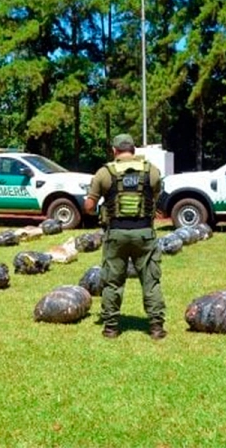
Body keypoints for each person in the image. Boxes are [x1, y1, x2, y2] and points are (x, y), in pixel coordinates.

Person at [84, 133, 165, 340]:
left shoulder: (104, 173)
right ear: (134, 150)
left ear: (114, 151)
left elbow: (89, 206)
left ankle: (111, 327)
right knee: (151, 281)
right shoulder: (152, 171)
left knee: (112, 282)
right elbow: (155, 196)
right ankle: (156, 327)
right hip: (145, 234)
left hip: (116, 235)